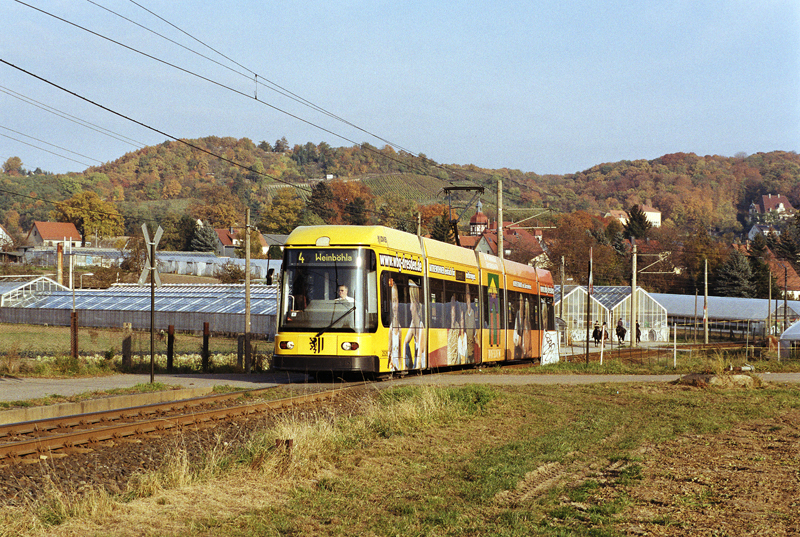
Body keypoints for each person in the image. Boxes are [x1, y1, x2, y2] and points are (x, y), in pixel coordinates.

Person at [388, 284, 402, 372]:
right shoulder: (390, 328)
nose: (394, 306)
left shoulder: (401, 325)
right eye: (391, 301)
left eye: (395, 301)